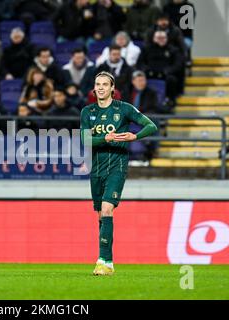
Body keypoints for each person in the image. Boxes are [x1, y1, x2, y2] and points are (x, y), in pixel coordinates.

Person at [80, 71, 157, 275]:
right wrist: (105, 138)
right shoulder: (87, 112)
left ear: (113, 88)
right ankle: (109, 262)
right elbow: (85, 140)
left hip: (117, 166)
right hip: (96, 168)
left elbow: (151, 126)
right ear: (94, 87)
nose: (101, 87)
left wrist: (135, 136)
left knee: (107, 209)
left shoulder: (123, 109)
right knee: (100, 215)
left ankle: (101, 260)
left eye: (105, 84)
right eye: (98, 84)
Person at [137, 31, 183, 101]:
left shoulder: (173, 50)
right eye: (159, 38)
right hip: (149, 73)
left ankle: (169, 101)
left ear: (167, 38)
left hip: (166, 74)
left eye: (163, 38)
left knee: (172, 80)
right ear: (154, 38)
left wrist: (168, 70)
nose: (161, 39)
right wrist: (145, 70)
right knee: (137, 78)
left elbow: (178, 64)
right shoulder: (146, 49)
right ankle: (141, 101)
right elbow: (140, 63)